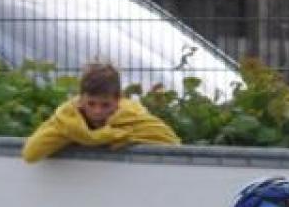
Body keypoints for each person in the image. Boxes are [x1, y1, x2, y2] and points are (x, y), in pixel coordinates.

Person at [20, 61, 181, 162]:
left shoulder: (134, 119)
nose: (97, 111)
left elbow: (172, 146)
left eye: (105, 105)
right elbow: (31, 153)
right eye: (91, 104)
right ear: (81, 99)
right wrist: (108, 135)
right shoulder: (67, 120)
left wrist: (91, 137)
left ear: (118, 100)